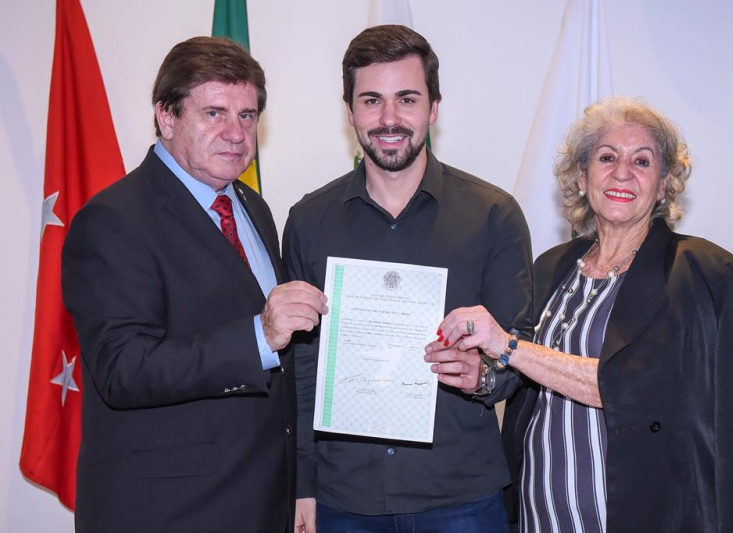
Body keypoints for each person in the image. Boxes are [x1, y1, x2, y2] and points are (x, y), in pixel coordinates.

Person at [427, 97, 733, 532]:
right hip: (539, 517)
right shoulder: (550, 268)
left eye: (642, 161)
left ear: (664, 184)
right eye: (607, 157)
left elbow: (633, 388)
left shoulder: (704, 275)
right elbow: (524, 383)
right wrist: (483, 377)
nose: (622, 172)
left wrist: (507, 347)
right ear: (583, 177)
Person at [61, 36, 328, 533]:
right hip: (167, 512)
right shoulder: (112, 220)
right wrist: (259, 337)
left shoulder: (252, 207)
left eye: (247, 115)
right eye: (214, 113)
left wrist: (299, 482)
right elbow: (122, 369)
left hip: (260, 503)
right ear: (166, 116)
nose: (236, 133)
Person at [284, 25, 533, 533]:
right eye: (371, 100)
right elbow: (302, 368)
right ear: (349, 111)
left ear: (433, 108)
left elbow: (520, 345)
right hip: (342, 500)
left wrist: (483, 376)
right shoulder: (308, 222)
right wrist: (303, 484)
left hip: (461, 498)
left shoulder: (494, 216)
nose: (389, 119)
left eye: (407, 99)